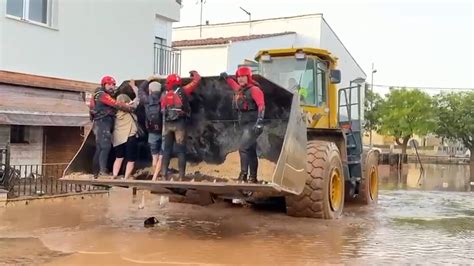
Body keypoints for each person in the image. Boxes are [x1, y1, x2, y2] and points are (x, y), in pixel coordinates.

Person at [220, 67, 265, 183]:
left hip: (253, 125)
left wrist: (259, 121)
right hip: (244, 125)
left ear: (248, 77)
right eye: (238, 76)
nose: (240, 79)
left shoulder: (254, 90)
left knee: (243, 148)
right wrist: (227, 78)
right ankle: (253, 177)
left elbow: (261, 105)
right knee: (250, 151)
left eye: (243, 76)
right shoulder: (241, 89)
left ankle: (243, 176)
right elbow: (233, 85)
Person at [89, 76, 134, 177]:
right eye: (109, 84)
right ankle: (102, 171)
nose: (112, 87)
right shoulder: (102, 95)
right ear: (104, 84)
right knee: (105, 147)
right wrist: (128, 106)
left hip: (100, 123)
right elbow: (115, 104)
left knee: (100, 148)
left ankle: (96, 172)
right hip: (102, 123)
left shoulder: (98, 95)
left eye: (113, 85)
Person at [160, 70, 201, 181]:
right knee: (181, 150)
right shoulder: (183, 90)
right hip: (180, 124)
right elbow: (197, 81)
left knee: (167, 149)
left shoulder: (164, 93)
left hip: (168, 124)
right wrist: (194, 73)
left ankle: (163, 174)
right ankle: (181, 176)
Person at [130, 76, 164, 181]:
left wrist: (148, 80)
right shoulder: (163, 98)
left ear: (150, 90)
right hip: (164, 131)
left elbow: (140, 90)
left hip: (152, 131)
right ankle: (156, 176)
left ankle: (155, 175)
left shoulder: (146, 100)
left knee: (154, 156)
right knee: (162, 156)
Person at [112, 94, 139, 179]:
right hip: (130, 137)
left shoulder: (115, 113)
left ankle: (114, 176)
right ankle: (126, 178)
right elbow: (136, 101)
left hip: (118, 138)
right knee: (131, 160)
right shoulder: (130, 109)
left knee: (119, 158)